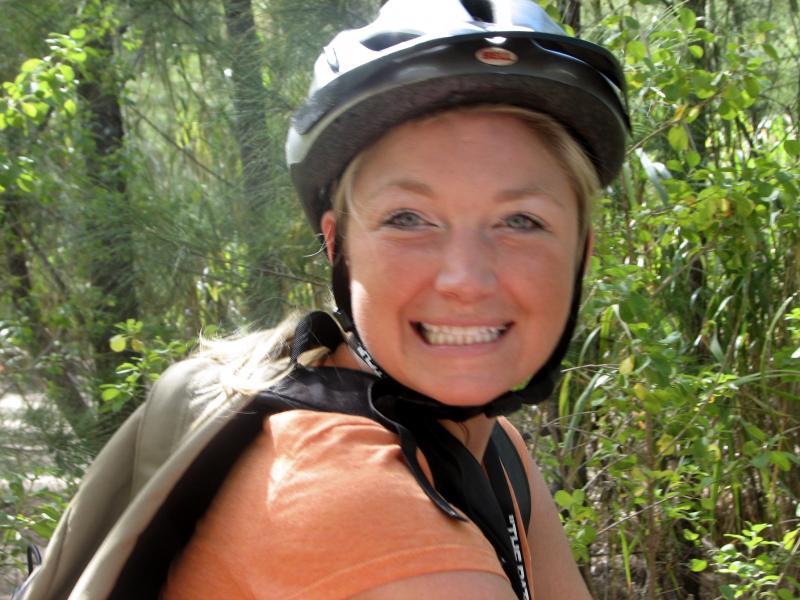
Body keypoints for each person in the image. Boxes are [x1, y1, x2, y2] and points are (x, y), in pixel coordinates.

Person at [161, 0, 629, 598]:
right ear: (339, 247)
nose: (466, 279)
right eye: (409, 218)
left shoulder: (492, 444)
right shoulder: (339, 489)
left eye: (521, 220)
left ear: (581, 254)